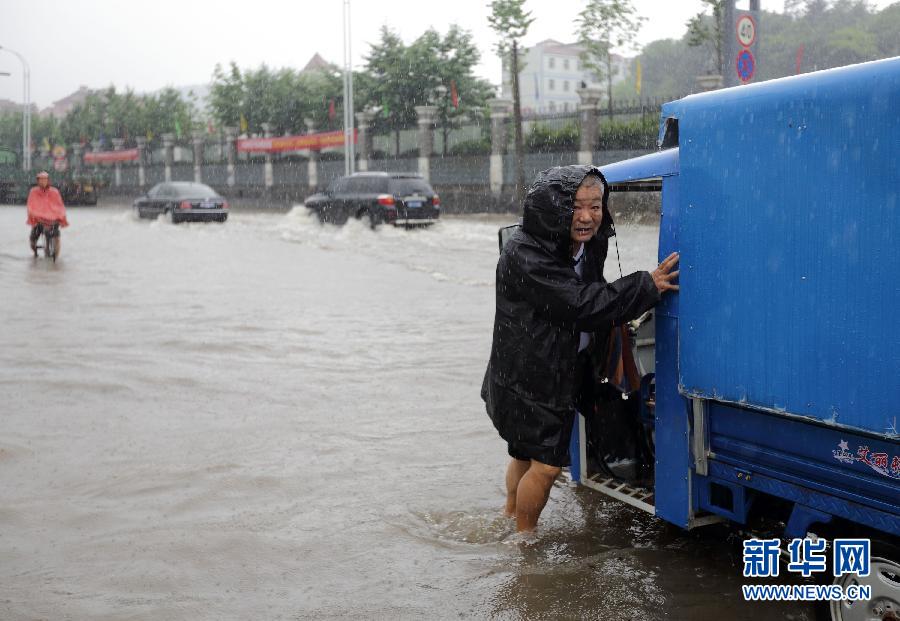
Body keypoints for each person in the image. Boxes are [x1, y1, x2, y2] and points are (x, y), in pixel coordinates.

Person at [481, 164, 679, 533]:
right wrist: (645, 286)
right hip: (534, 374)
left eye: (596, 205)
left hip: (559, 364)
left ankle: (509, 517)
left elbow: (592, 288)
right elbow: (580, 303)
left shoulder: (588, 243)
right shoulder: (526, 255)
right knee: (546, 465)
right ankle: (524, 541)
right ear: (553, 209)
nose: (587, 217)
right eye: (577, 207)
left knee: (524, 453)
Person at [27, 171, 69, 258]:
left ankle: (56, 256)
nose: (43, 182)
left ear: (48, 180)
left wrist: (60, 215)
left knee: (56, 238)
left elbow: (59, 205)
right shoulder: (34, 192)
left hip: (53, 220)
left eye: (45, 180)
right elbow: (31, 205)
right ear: (38, 181)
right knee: (33, 239)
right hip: (39, 220)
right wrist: (36, 214)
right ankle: (35, 252)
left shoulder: (54, 192)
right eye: (41, 180)